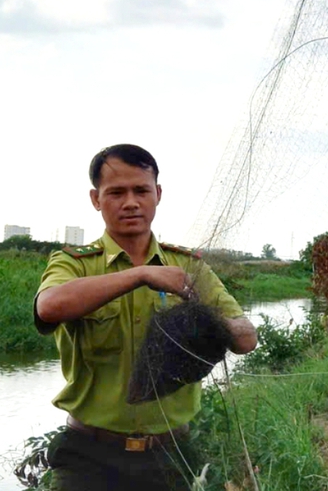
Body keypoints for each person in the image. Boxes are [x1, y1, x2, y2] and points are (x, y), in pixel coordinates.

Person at [34, 144, 257, 491]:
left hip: (171, 455)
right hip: (88, 457)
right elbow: (49, 307)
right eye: (116, 192)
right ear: (96, 199)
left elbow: (246, 338)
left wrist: (207, 321)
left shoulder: (189, 266)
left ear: (158, 194)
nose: (131, 202)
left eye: (141, 190)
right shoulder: (74, 263)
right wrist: (140, 276)